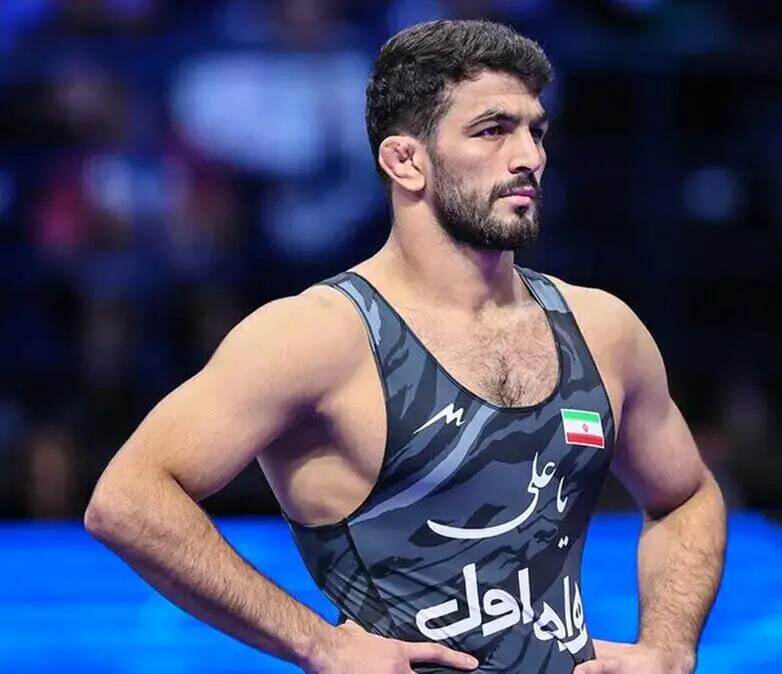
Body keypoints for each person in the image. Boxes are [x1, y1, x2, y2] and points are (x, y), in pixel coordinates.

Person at [84, 19, 726, 674]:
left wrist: (668, 647)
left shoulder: (601, 329)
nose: (528, 156)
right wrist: (319, 644)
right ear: (405, 161)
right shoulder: (318, 338)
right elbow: (129, 499)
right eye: (493, 130)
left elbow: (686, 496)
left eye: (536, 131)